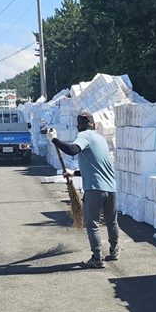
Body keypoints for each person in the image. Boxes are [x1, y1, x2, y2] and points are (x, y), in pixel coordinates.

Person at [46, 112, 120, 269]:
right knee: (112, 221)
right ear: (94, 125)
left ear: (78, 127)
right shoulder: (100, 139)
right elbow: (97, 166)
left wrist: (54, 140)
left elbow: (73, 150)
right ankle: (114, 251)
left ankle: (97, 258)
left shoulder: (84, 135)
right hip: (111, 188)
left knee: (92, 224)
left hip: (94, 188)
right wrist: (74, 173)